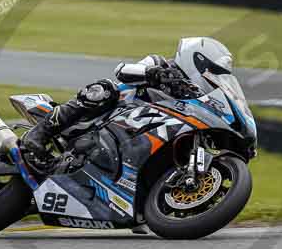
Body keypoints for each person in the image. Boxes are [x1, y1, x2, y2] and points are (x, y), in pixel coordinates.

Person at [23, 37, 235, 159]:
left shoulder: (195, 96)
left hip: (140, 136)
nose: (210, 75)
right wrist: (153, 73)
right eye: (210, 69)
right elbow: (122, 71)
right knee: (104, 89)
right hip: (110, 117)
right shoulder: (160, 63)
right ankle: (40, 133)